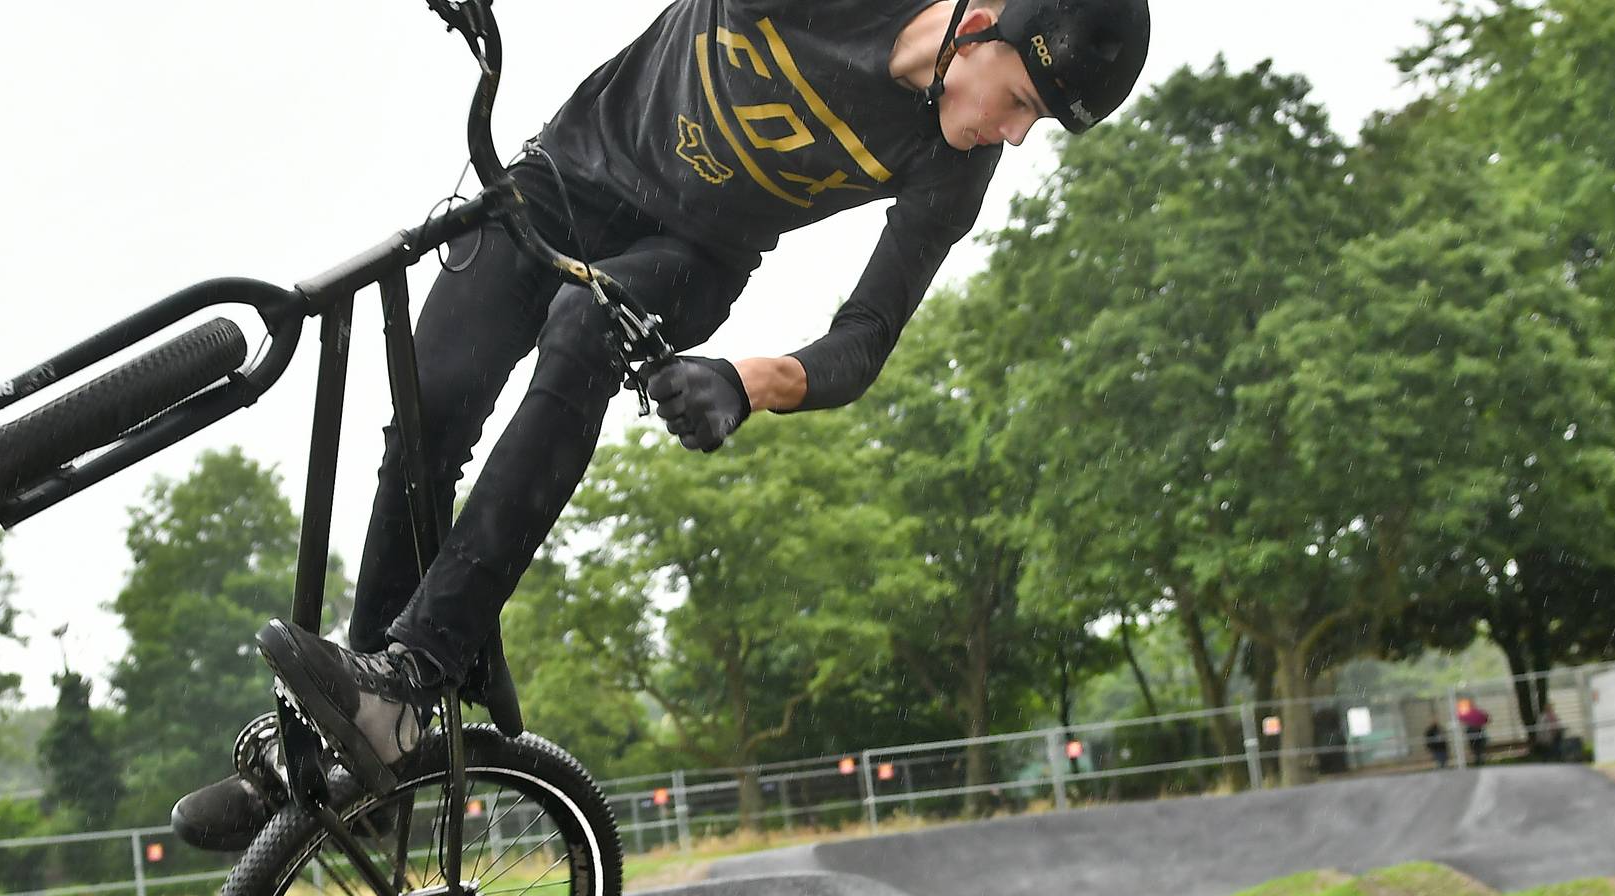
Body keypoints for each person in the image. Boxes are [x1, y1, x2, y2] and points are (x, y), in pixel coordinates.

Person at [174, 0, 1153, 848]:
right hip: (566, 178)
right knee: (430, 404)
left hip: (688, 256)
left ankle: (411, 677)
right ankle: (336, 746)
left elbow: (863, 338)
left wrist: (746, 378)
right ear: (981, 29)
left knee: (583, 333)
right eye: (1023, 104)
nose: (1013, 137)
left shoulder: (950, 167)